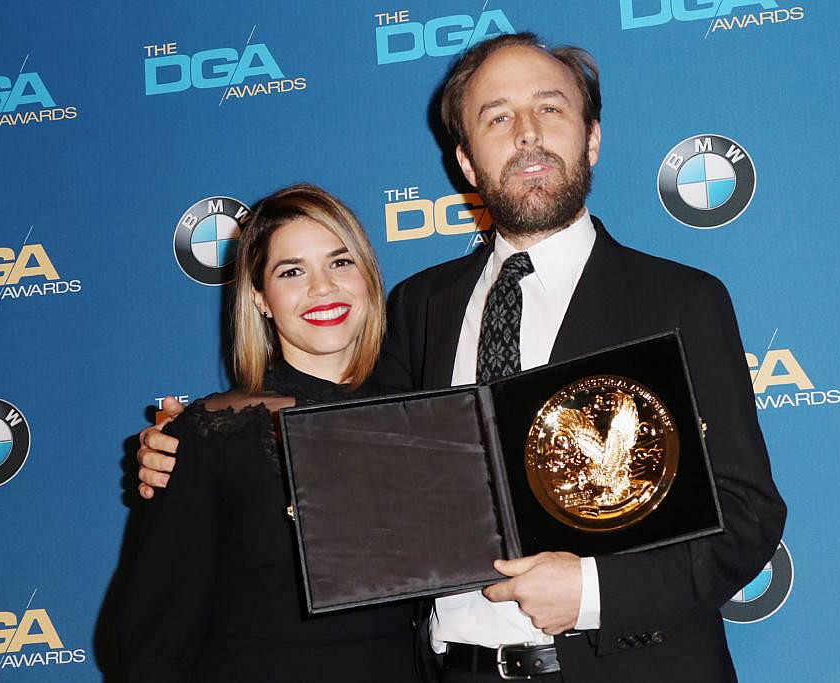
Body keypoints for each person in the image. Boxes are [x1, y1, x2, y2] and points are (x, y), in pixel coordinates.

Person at [138, 33, 786, 682]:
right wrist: (191, 442)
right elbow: (337, 430)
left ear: (592, 138)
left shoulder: (679, 299)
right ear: (467, 162)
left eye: (550, 108)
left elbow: (748, 511)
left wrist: (593, 591)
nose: (526, 133)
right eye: (497, 117)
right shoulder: (420, 307)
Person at [120, 183, 417, 682]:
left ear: (369, 276)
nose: (322, 288)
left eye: (340, 262)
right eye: (293, 271)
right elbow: (156, 640)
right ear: (260, 298)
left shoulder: (422, 419)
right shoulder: (212, 435)